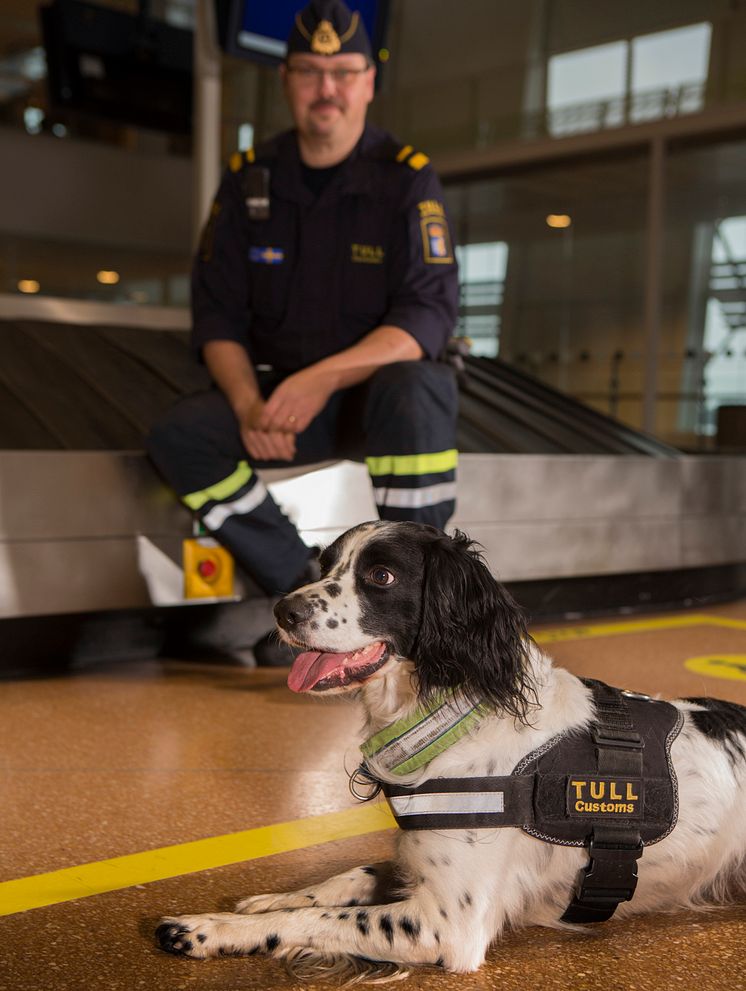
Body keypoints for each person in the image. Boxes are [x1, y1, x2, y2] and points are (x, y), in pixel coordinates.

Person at [146, 0, 460, 664]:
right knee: (182, 434)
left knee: (417, 386)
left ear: (369, 82)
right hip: (281, 401)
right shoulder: (248, 180)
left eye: (344, 72)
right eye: (312, 72)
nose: (328, 89)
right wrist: (247, 404)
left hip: (375, 401)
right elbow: (217, 316)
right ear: (286, 79)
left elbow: (425, 317)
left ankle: (425, 608)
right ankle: (301, 595)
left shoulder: (406, 179)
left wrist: (317, 380)